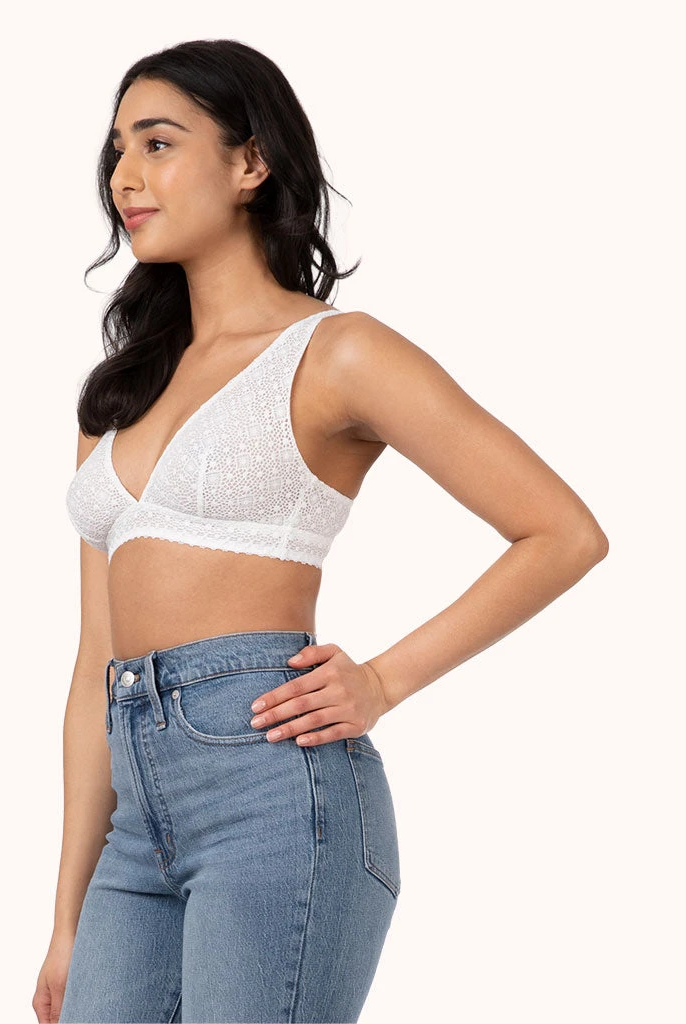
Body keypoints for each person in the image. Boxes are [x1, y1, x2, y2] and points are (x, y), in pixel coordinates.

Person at [33, 38, 608, 1024]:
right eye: (116, 148)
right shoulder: (116, 397)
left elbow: (561, 532)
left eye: (158, 143)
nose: (124, 176)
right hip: (134, 825)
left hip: (271, 791)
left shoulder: (336, 353)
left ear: (250, 162)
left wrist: (381, 680)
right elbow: (95, 666)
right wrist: (65, 917)